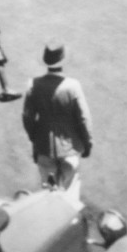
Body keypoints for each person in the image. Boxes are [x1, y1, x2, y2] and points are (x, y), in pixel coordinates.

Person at [22, 42, 93, 206]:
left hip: (44, 146)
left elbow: (27, 117)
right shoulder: (73, 86)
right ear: (63, 61)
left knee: (48, 191)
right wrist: (88, 143)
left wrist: (35, 137)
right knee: (70, 192)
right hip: (70, 147)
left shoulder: (33, 85)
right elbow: (84, 118)